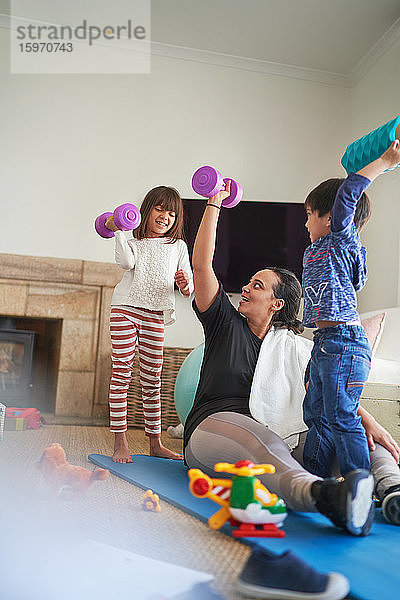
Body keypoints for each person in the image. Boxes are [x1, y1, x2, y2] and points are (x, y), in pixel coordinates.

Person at [183, 180, 400, 538]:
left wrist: (367, 419)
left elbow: (324, 384)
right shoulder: (224, 322)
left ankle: (392, 490)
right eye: (248, 282)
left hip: (277, 434)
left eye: (258, 285)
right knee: (261, 443)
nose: (247, 288)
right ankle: (326, 498)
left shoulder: (296, 346)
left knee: (360, 436)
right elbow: (202, 265)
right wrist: (213, 204)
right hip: (215, 427)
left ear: (277, 304)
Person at [302, 140, 400, 480]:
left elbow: (348, 196)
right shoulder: (321, 248)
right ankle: (314, 481)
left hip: (343, 341)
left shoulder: (341, 240)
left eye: (309, 215)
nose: (305, 224)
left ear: (330, 219)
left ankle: (358, 486)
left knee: (342, 415)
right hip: (325, 340)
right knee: (315, 412)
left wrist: (385, 161)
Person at [106, 186, 193, 463]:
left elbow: (188, 286)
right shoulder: (132, 242)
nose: (165, 216)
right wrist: (119, 230)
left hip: (155, 314)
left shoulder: (178, 246)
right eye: (159, 209)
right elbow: (125, 262)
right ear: (146, 211)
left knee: (152, 379)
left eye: (171, 213)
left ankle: (155, 443)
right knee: (121, 372)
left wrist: (184, 284)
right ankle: (120, 442)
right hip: (125, 308)